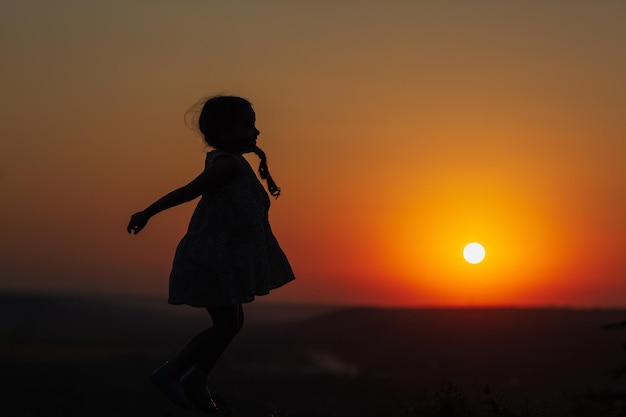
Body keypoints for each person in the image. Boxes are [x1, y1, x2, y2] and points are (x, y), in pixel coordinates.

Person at [127, 95, 296, 415]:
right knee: (227, 323)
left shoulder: (233, 163)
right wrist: (148, 211)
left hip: (217, 258)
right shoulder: (227, 165)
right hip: (210, 259)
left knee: (231, 321)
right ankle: (173, 372)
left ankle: (196, 378)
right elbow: (190, 190)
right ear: (225, 130)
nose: (257, 132)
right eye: (249, 124)